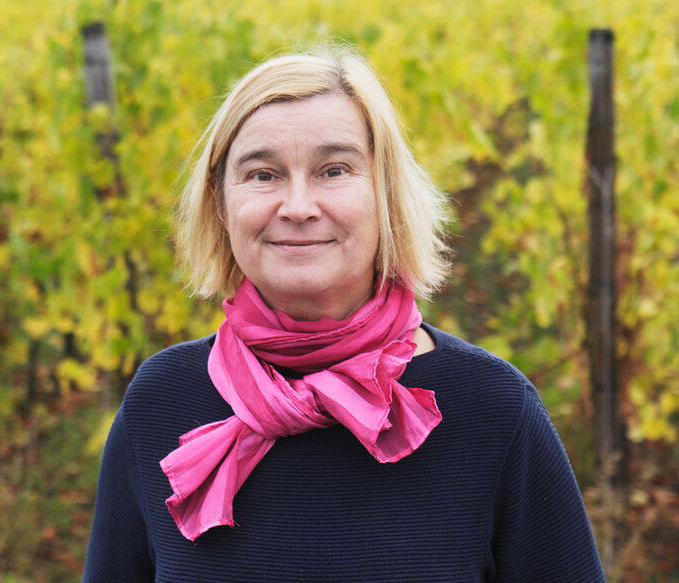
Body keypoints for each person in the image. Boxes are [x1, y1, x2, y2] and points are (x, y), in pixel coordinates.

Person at [82, 48, 605, 582]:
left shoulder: (492, 409)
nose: (298, 207)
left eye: (334, 170)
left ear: (385, 194)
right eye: (263, 175)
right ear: (220, 204)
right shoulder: (159, 403)